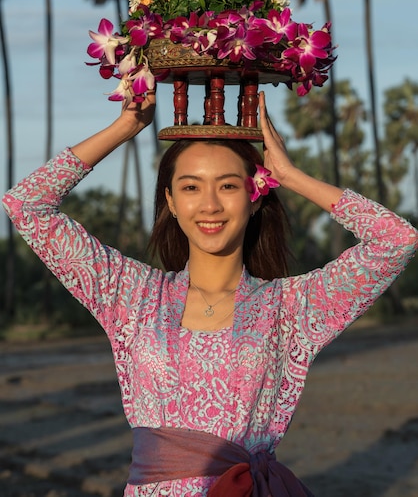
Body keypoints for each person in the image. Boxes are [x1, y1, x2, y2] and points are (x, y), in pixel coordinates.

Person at [2, 90, 417, 497]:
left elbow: (396, 240)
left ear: (254, 198)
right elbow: (27, 205)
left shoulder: (291, 308)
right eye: (191, 187)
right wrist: (126, 126)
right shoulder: (130, 295)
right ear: (170, 200)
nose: (210, 205)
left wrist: (290, 176)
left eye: (228, 187)